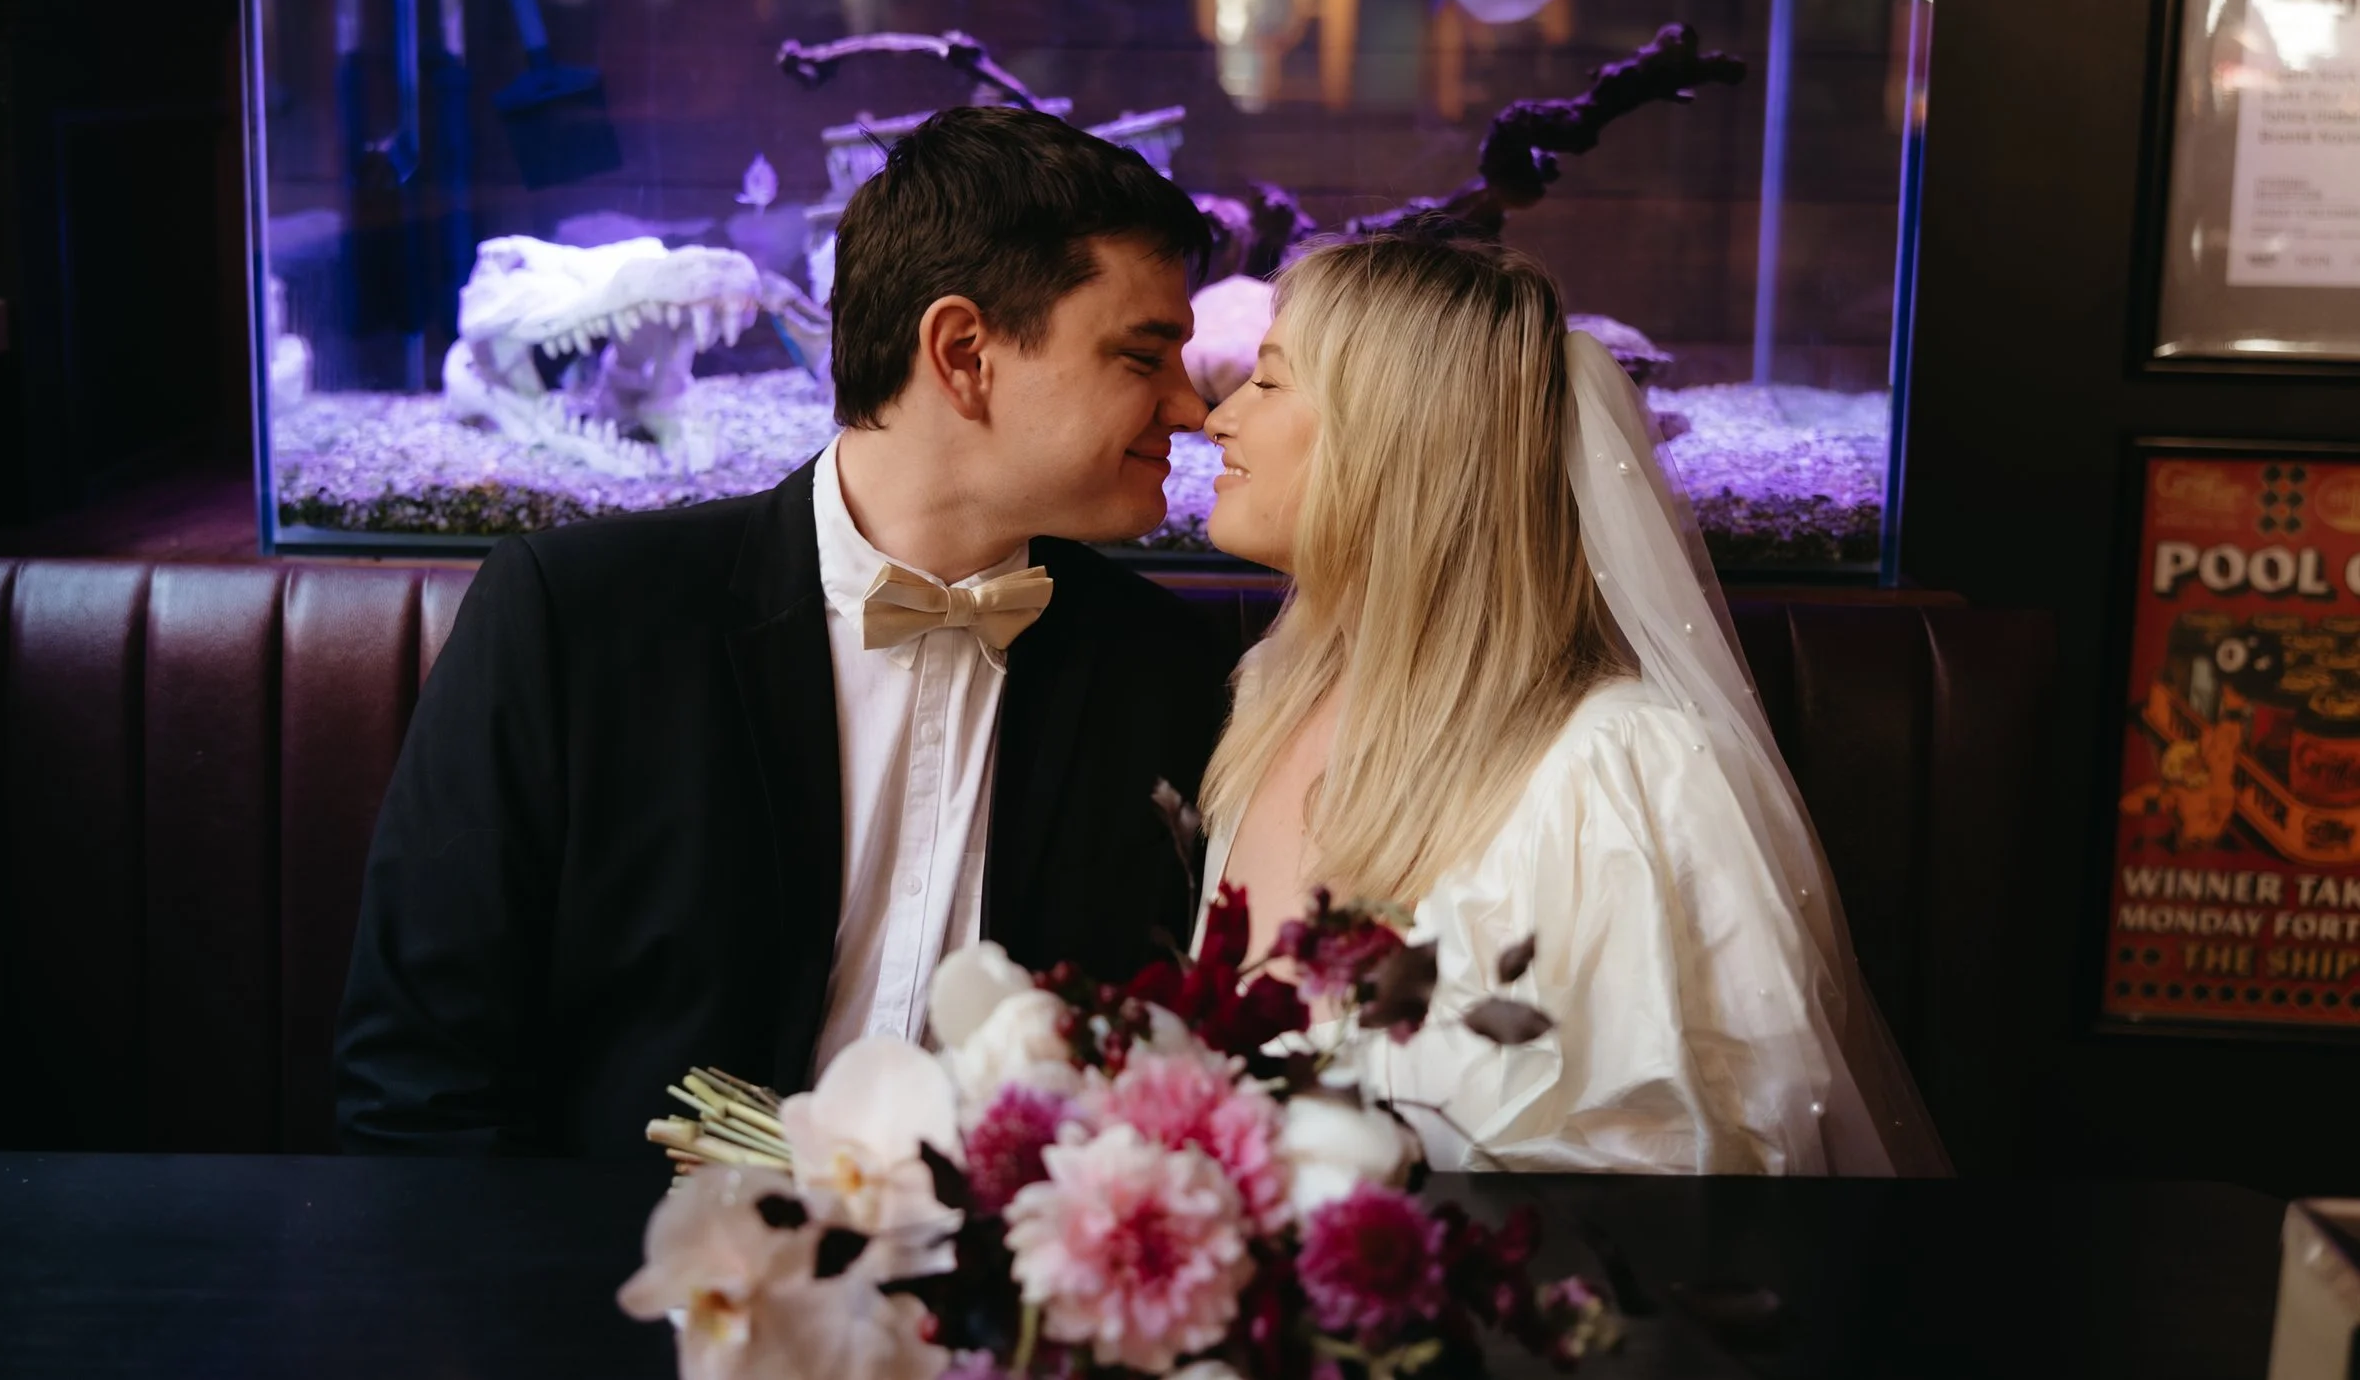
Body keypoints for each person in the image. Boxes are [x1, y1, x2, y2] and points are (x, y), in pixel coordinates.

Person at [336, 107, 1231, 1156]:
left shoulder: (1168, 671)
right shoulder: (574, 624)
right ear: (963, 355)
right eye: (1142, 356)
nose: (1191, 408)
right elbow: (415, 1086)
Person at [1196, 225, 1946, 1176]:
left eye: (1267, 382)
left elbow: (1692, 1175)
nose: (1218, 418)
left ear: (1396, 439)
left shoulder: (1623, 771)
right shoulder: (1267, 699)